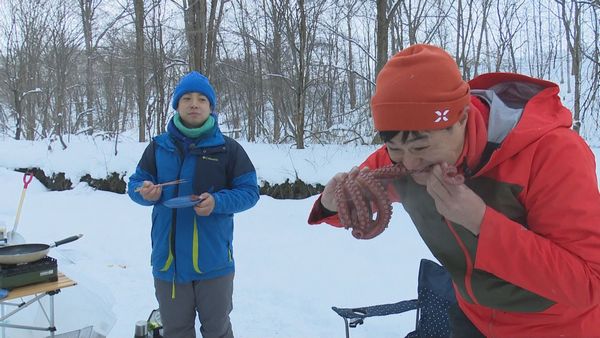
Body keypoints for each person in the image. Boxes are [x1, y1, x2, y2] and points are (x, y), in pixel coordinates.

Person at [308, 44, 600, 336]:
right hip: (472, 318)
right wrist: (333, 203)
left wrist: (481, 222)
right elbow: (355, 206)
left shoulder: (553, 154)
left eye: (421, 146)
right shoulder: (402, 160)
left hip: (555, 326)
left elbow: (590, 284)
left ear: (461, 118)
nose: (409, 162)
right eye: (394, 147)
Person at [128, 71, 260, 338]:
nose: (194, 104)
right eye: (186, 98)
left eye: (202, 99)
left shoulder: (228, 149)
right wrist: (144, 192)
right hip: (169, 264)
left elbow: (250, 192)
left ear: (211, 107)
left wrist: (218, 202)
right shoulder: (157, 147)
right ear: (176, 105)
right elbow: (134, 184)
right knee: (175, 331)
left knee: (217, 331)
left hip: (213, 263)